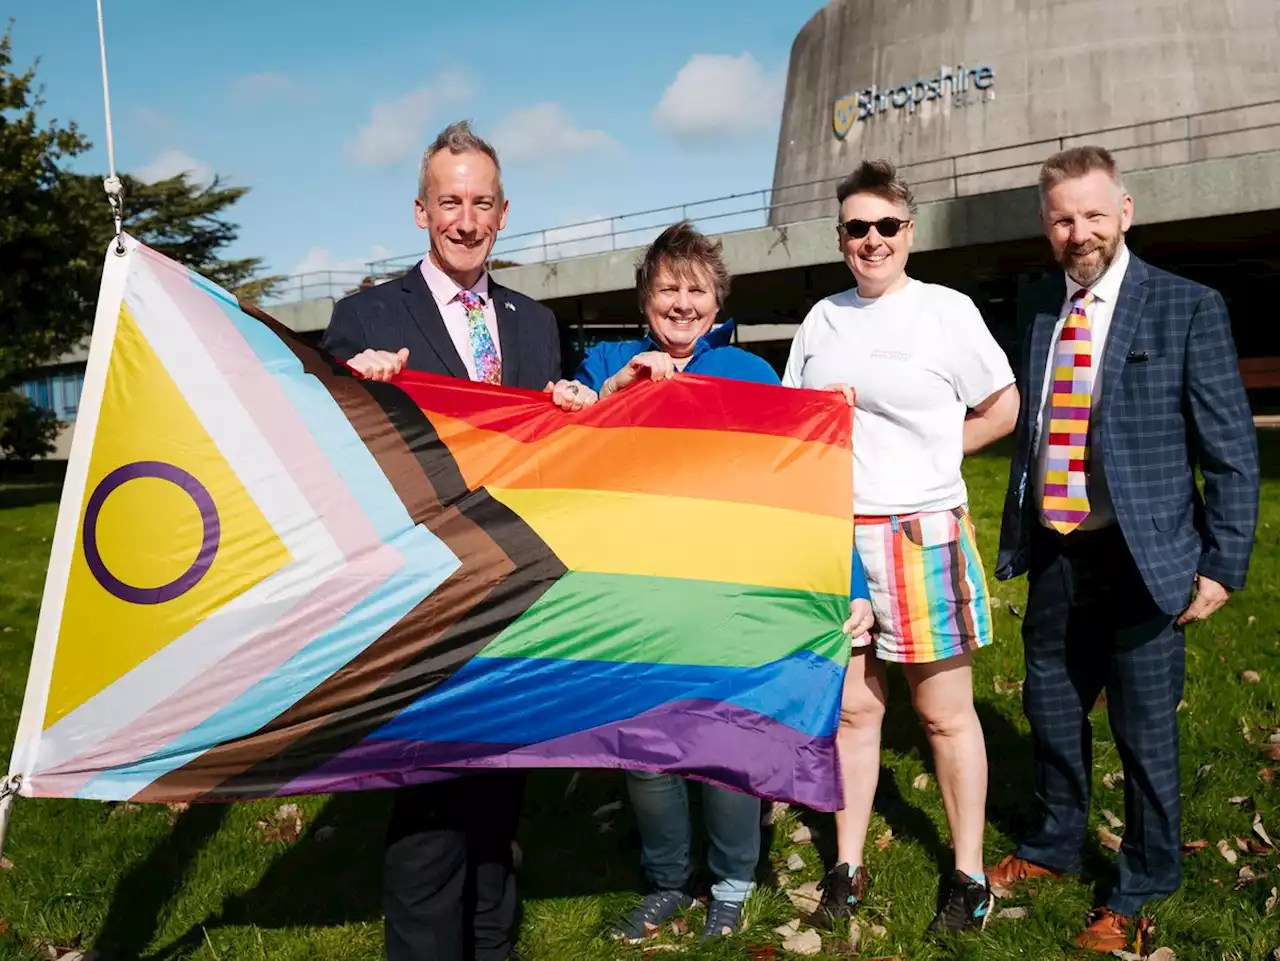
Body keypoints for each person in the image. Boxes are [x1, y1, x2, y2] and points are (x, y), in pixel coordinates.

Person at [549, 221, 874, 942]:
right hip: (635, 600)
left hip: (729, 602)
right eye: (668, 288)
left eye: (697, 289)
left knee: (725, 749)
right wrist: (609, 392)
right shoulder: (609, 360)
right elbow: (563, 447)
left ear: (717, 301)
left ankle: (730, 883)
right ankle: (666, 881)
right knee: (648, 756)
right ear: (645, 300)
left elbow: (809, 488)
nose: (682, 303)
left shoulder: (752, 377)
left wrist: (848, 582)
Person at [989, 146, 1260, 951]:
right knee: (1051, 707)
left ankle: (1144, 878)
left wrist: (1223, 561)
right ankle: (1056, 841)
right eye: (1064, 218)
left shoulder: (1186, 307)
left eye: (1094, 215)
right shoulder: (1038, 306)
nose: (1080, 232)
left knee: (1145, 730)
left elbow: (1232, 449)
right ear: (1047, 224)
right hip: (1056, 550)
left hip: (1148, 556)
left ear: (1127, 212)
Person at [321, 120, 561, 961]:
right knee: (429, 823)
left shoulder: (536, 325)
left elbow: (550, 461)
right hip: (423, 600)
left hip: (517, 595)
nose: (466, 219)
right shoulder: (364, 317)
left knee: (498, 814)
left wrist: (575, 410)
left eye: (481, 202)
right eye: (449, 201)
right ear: (420, 210)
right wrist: (359, 388)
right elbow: (333, 447)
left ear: (504, 212)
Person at [782, 160, 1019, 935]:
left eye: (887, 225)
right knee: (853, 710)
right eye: (858, 227)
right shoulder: (821, 320)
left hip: (922, 534)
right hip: (838, 538)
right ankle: (846, 865)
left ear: (909, 232)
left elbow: (1004, 404)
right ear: (840, 237)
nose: (873, 240)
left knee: (944, 714)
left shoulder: (945, 311)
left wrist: (934, 459)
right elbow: (793, 426)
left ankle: (970, 874)